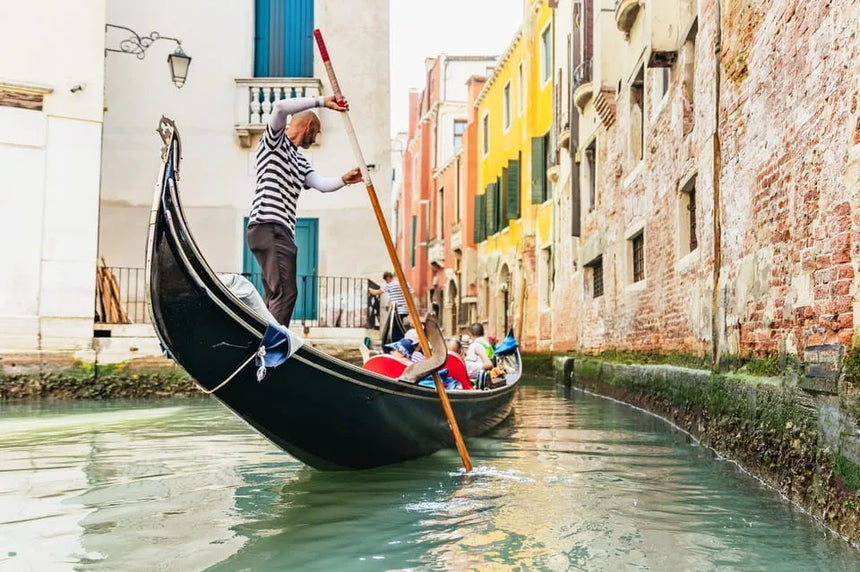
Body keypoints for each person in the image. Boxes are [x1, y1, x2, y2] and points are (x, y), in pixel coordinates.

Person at [246, 93, 362, 326]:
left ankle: (263, 342)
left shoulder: (301, 162)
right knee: (286, 293)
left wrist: (344, 179)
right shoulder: (273, 143)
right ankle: (273, 353)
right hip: (270, 226)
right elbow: (279, 107)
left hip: (276, 232)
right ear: (309, 126)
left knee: (274, 294)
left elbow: (321, 184)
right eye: (316, 132)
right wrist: (322, 102)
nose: (316, 137)